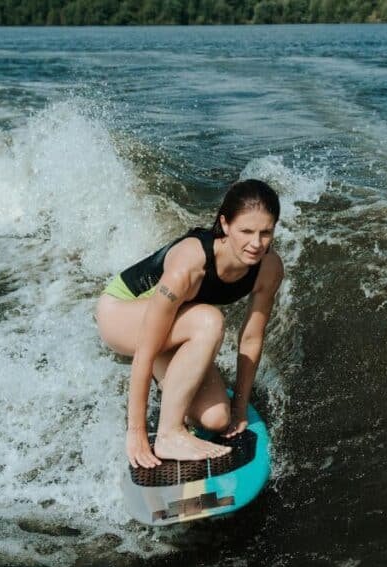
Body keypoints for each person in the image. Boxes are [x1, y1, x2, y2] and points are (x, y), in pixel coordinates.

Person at [95, 179, 284, 469]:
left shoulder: (268, 268)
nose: (256, 243)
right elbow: (145, 348)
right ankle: (169, 435)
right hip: (120, 314)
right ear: (225, 224)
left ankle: (170, 386)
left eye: (265, 233)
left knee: (217, 419)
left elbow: (251, 338)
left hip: (172, 324)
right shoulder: (190, 264)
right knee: (208, 321)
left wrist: (240, 405)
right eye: (246, 231)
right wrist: (136, 432)